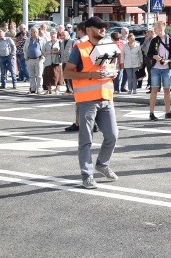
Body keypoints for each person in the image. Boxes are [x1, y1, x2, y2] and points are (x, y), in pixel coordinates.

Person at [61, 16, 120, 189]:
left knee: (112, 135)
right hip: (87, 101)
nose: (103, 29)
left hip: (106, 98)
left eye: (104, 26)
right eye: (99, 26)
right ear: (88, 30)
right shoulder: (80, 48)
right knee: (86, 140)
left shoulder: (108, 46)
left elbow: (110, 67)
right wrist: (90, 75)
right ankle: (87, 175)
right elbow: (67, 73)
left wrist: (113, 73)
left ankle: (102, 164)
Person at [147, 21, 171, 120]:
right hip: (156, 68)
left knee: (167, 90)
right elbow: (148, 54)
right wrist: (154, 56)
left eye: (157, 27)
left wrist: (168, 60)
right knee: (154, 90)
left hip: (167, 68)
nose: (156, 29)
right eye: (155, 28)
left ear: (164, 27)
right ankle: (151, 113)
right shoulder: (154, 40)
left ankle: (168, 112)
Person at [23, 27, 47, 94]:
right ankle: (33, 89)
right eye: (33, 32)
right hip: (30, 60)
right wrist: (26, 57)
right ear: (31, 33)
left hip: (38, 59)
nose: (35, 33)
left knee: (39, 75)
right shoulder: (28, 40)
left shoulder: (41, 40)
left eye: (36, 32)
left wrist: (42, 57)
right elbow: (24, 49)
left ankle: (39, 89)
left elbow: (44, 49)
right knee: (31, 75)